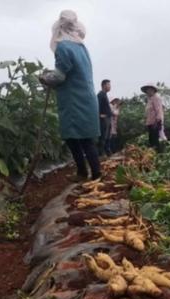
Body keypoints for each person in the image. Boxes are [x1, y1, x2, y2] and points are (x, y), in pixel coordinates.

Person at [42, 10, 101, 181]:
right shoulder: (81, 47)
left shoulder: (63, 47)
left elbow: (60, 76)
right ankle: (95, 173)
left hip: (74, 100)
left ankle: (83, 173)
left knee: (73, 138)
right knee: (86, 139)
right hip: (87, 98)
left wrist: (45, 78)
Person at [141, 83, 164, 152]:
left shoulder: (156, 98)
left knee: (155, 140)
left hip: (155, 123)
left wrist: (158, 122)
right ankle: (152, 154)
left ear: (153, 90)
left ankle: (158, 154)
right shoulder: (149, 99)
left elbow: (158, 110)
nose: (148, 92)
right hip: (150, 123)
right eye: (147, 90)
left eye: (149, 90)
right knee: (151, 140)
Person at [97, 79, 112, 156]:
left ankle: (107, 152)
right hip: (104, 119)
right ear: (104, 85)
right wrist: (99, 115)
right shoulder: (100, 95)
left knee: (108, 136)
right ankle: (101, 154)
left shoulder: (105, 94)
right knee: (103, 136)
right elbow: (97, 106)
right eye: (108, 85)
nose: (110, 86)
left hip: (108, 118)